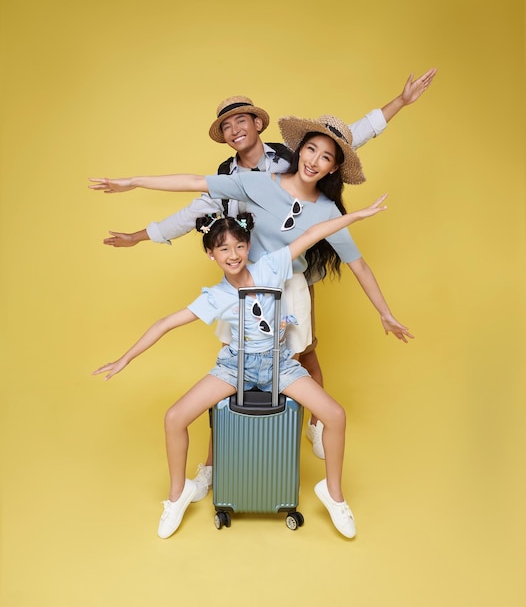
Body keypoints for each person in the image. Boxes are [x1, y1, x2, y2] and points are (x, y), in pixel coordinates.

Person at [94, 69, 434, 459]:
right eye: (226, 125)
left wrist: (400, 102)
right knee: (237, 364)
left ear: (257, 123)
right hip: (248, 281)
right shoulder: (238, 179)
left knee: (302, 357)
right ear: (223, 136)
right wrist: (138, 217)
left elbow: (345, 140)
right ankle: (215, 461)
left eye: (241, 119)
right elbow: (191, 201)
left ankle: (316, 425)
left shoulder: (295, 166)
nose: (234, 128)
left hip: (290, 280)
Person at [92, 194, 390, 539]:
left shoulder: (271, 266)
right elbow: (164, 323)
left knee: (335, 415)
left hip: (279, 364)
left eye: (238, 246)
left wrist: (357, 216)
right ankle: (177, 495)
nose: (232, 255)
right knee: (174, 418)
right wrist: (124, 359)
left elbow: (311, 235)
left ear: (248, 246)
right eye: (223, 249)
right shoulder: (215, 296)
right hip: (237, 368)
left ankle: (333, 495)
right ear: (210, 254)